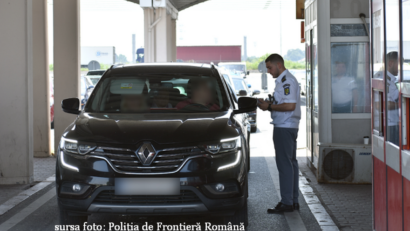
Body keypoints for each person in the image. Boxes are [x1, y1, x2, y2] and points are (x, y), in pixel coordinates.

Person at [257, 54, 301, 213]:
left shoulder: (286, 81)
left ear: (279, 65)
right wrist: (269, 103)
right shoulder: (285, 80)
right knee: (291, 163)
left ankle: (287, 202)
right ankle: (293, 200)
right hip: (288, 125)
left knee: (285, 164)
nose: (268, 71)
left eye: (269, 67)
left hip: (284, 126)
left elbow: (289, 106)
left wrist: (269, 107)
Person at [386, 51, 400, 146]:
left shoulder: (392, 80)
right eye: (399, 64)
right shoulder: (384, 80)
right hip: (388, 125)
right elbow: (381, 104)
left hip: (394, 122)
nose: (400, 68)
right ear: (390, 63)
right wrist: (402, 105)